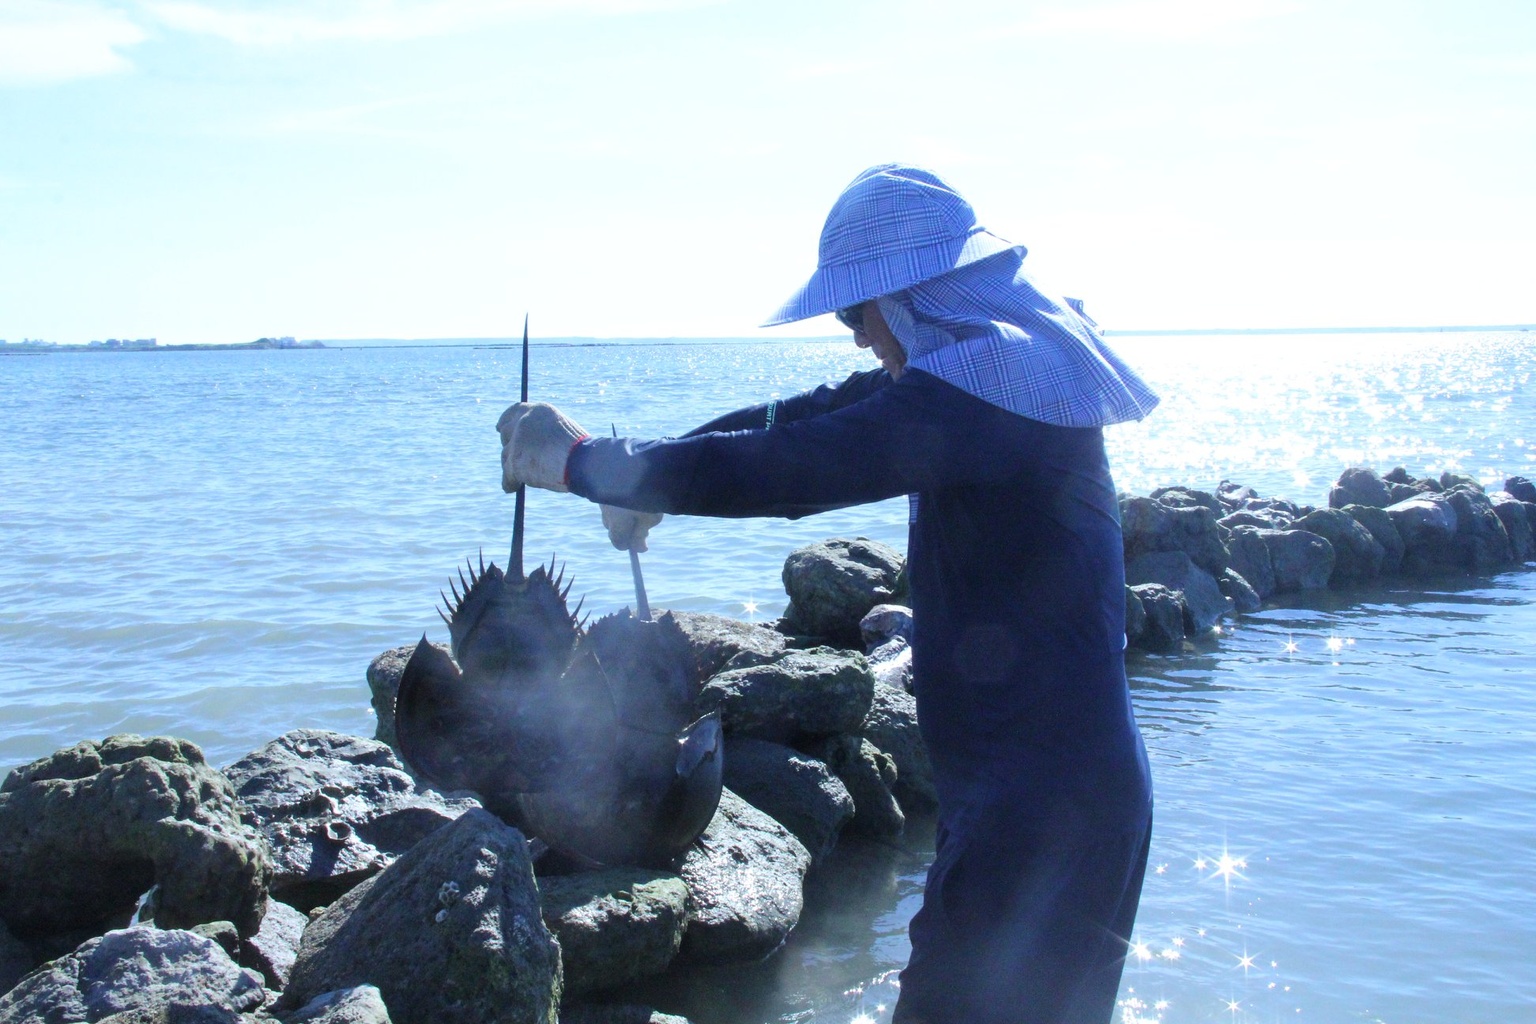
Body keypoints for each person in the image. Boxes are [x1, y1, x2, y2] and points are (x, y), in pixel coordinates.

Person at [498, 163, 1159, 1024]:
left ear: (917, 291)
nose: (856, 337)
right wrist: (638, 478)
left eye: (856, 310)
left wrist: (583, 465)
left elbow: (795, 466)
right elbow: (800, 419)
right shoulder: (989, 373)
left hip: (1036, 816)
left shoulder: (983, 395)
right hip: (1047, 791)